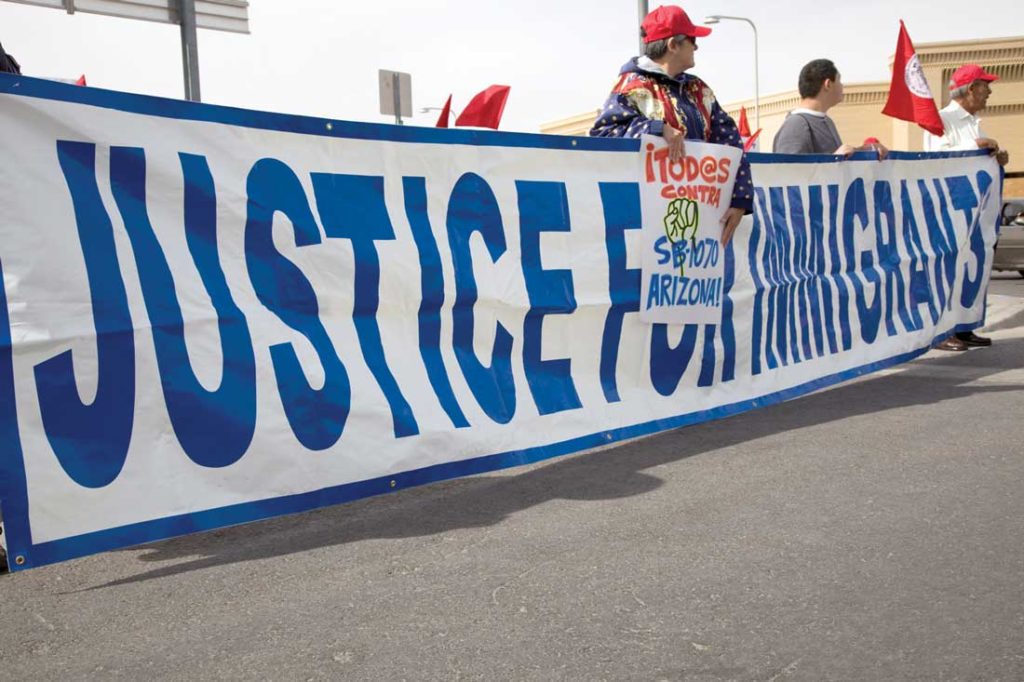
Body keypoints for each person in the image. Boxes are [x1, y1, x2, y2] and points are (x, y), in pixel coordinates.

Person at [589, 5, 751, 244]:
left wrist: (740, 199)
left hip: (700, 214)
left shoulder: (699, 90)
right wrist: (656, 128)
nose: (696, 46)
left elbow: (730, 142)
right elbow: (603, 136)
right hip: (647, 223)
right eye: (692, 39)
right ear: (673, 45)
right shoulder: (631, 86)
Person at [924, 64, 1010, 351]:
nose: (989, 91)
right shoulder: (942, 119)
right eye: (985, 86)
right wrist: (980, 146)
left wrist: (997, 156)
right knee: (949, 270)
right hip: (950, 211)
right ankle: (942, 331)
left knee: (972, 269)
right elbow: (937, 159)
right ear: (971, 88)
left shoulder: (974, 121)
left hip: (975, 212)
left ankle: (964, 326)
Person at [773, 59, 888, 159]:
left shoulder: (827, 121)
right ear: (828, 84)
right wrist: (833, 160)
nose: (842, 86)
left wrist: (866, 150)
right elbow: (789, 174)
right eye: (839, 80)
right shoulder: (796, 124)